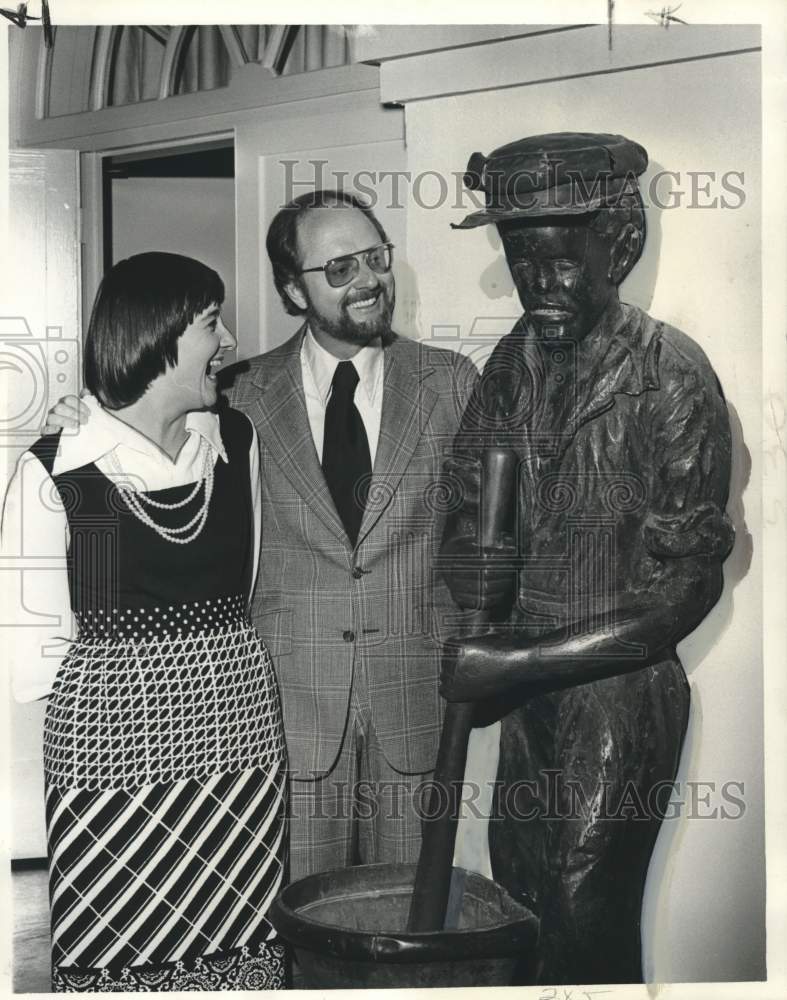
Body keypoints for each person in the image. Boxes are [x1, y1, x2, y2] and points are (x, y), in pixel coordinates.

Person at [42, 191, 479, 885]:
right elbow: (141, 441)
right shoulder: (236, 396)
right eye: (338, 268)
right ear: (291, 289)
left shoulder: (450, 383)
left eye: (375, 258)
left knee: (409, 921)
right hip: (279, 715)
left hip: (414, 705)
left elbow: (482, 538)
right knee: (295, 927)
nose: (367, 279)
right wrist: (82, 417)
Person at [439, 133, 735, 984]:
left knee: (581, 907)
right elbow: (465, 507)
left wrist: (512, 661)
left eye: (562, 262)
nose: (542, 286)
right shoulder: (508, 364)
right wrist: (473, 578)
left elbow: (683, 590)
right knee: (520, 898)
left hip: (615, 695)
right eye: (522, 261)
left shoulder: (670, 375)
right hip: (523, 692)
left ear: (622, 245)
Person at [3, 253, 287, 991]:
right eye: (208, 323)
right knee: (121, 945)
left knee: (239, 941)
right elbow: (36, 661)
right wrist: (142, 694)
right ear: (155, 335)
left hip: (239, 738)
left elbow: (243, 590)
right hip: (112, 762)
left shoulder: (237, 444)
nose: (227, 340)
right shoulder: (60, 476)